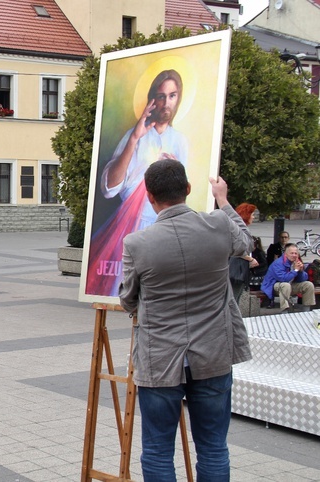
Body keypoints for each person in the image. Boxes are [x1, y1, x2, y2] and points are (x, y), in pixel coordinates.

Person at [119, 159, 252, 481]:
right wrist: (222, 199)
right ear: (189, 189)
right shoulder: (219, 224)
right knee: (213, 448)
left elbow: (127, 299)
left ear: (149, 196)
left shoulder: (137, 243)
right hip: (214, 355)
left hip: (160, 359)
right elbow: (245, 242)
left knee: (157, 450)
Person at [89, 70, 189, 297]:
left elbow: (184, 191)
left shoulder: (181, 142)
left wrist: (175, 173)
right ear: (152, 99)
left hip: (166, 228)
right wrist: (134, 138)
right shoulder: (135, 135)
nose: (166, 102)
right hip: (131, 225)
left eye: (172, 95)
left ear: (179, 99)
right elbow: (109, 188)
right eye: (161, 96)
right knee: (123, 287)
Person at [261, 243, 316, 311]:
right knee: (285, 285)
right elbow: (283, 279)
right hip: (273, 286)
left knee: (308, 285)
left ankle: (306, 310)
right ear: (285, 254)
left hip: (290, 285)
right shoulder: (278, 263)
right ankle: (284, 310)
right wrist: (295, 270)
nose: (294, 255)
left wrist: (301, 271)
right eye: (291, 253)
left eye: (296, 253)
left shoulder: (296, 262)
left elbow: (303, 279)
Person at [229, 203, 257, 302]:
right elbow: (236, 248)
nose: (253, 217)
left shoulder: (239, 228)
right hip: (236, 269)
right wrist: (251, 259)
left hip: (240, 269)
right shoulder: (239, 229)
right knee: (234, 299)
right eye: (252, 214)